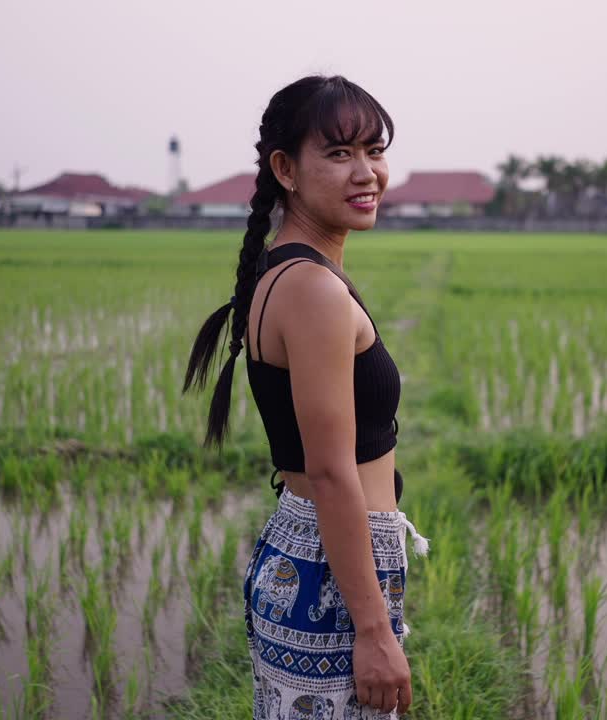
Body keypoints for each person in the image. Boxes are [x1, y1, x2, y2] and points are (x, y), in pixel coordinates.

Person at [182, 75, 429, 719]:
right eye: (340, 154)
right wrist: (374, 631)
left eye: (374, 151)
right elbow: (329, 469)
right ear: (286, 168)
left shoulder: (287, 269)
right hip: (330, 571)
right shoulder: (313, 290)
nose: (367, 172)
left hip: (313, 553)